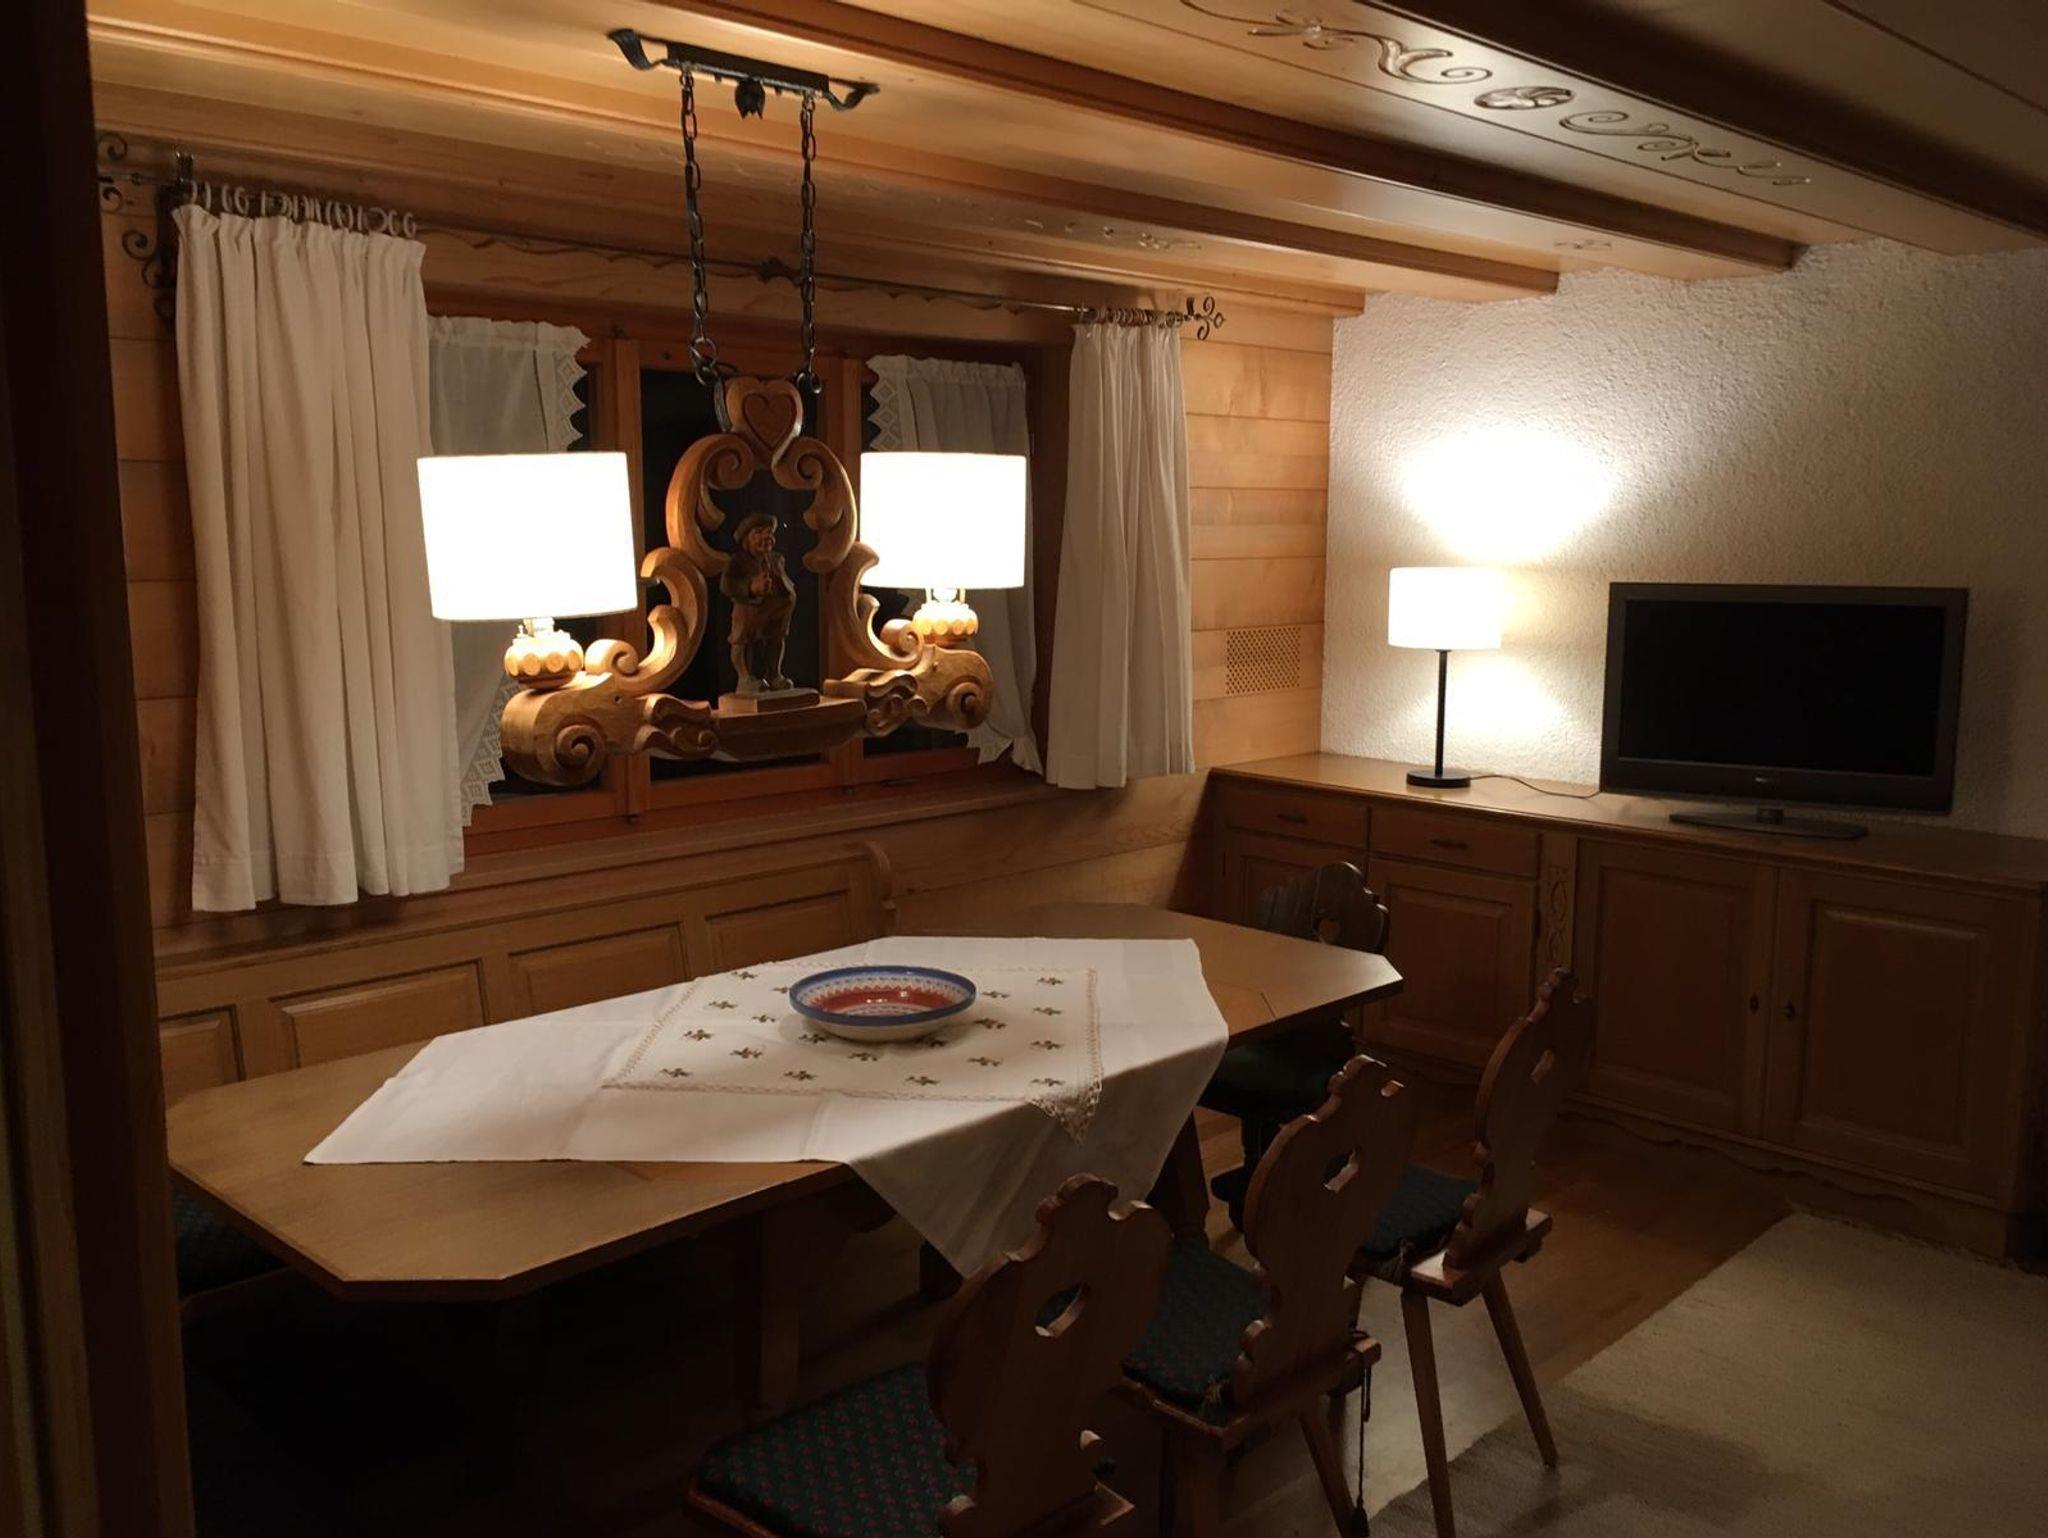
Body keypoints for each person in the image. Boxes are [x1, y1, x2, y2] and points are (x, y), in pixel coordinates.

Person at [721, 511, 796, 694]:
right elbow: (727, 584)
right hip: (748, 609)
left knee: (776, 639)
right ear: (747, 538)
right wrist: (750, 587)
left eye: (769, 532)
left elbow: (784, 581)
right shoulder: (739, 561)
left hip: (775, 609)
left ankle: (774, 674)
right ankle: (745, 677)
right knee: (742, 641)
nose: (766, 537)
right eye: (759, 532)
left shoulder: (776, 559)